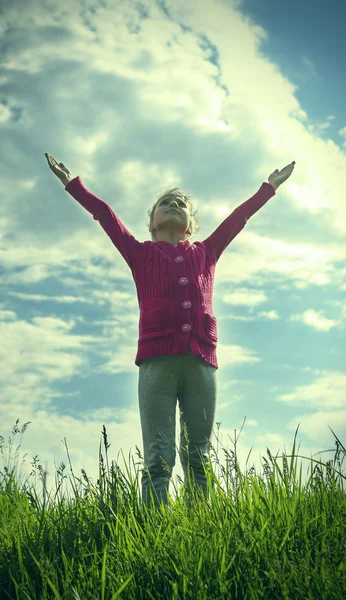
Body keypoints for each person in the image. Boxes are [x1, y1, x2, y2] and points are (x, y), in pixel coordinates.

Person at [45, 152, 296, 512]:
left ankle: (199, 527)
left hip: (201, 363)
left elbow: (237, 220)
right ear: (152, 223)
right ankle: (156, 529)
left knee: (199, 455)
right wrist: (73, 184)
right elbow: (105, 216)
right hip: (157, 364)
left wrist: (267, 188)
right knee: (159, 457)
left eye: (181, 203)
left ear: (191, 223)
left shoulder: (207, 252)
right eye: (166, 202)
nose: (175, 205)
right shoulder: (139, 253)